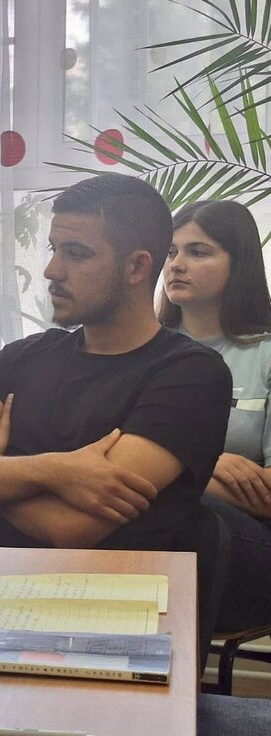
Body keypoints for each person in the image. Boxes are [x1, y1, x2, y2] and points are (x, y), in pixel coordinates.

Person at [0, 174, 232, 551]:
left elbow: (71, 529)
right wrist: (54, 470)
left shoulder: (191, 374)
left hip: (93, 583)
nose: (51, 270)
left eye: (76, 253)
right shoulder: (22, 356)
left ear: (136, 268)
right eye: (53, 249)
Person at [159, 199, 271, 630]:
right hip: (159, 528)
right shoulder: (144, 351)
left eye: (198, 251)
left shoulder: (265, 354)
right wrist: (205, 464)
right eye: (171, 252)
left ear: (238, 264)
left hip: (250, 543)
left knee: (180, 508)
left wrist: (179, 474)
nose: (176, 264)